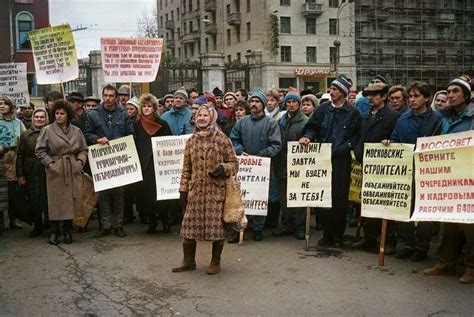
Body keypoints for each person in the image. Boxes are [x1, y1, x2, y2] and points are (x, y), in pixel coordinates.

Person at [172, 104, 239, 274]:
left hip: (215, 192)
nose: (201, 118)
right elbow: (186, 167)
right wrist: (183, 190)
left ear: (212, 118)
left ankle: (215, 261)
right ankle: (188, 261)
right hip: (195, 191)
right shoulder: (191, 141)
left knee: (216, 228)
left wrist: (223, 168)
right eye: (199, 115)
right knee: (188, 228)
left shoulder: (222, 139)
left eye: (205, 115)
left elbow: (234, 164)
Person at [299, 76, 362, 247]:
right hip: (322, 158)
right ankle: (327, 234)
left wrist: (348, 146)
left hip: (342, 161)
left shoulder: (353, 113)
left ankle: (338, 235)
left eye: (334, 89)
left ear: (343, 92)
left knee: (339, 199)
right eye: (331, 89)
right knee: (323, 197)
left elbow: (357, 136)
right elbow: (312, 127)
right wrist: (307, 137)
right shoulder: (323, 109)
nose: (331, 92)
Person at [383, 81, 442, 261]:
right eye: (411, 96)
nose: (412, 100)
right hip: (406, 169)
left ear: (427, 98)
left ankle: (422, 247)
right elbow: (395, 138)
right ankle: (408, 243)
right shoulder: (403, 119)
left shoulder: (437, 119)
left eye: (417, 96)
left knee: (423, 209)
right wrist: (389, 143)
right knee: (403, 207)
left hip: (427, 171)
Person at [424, 76, 474, 284]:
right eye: (449, 91)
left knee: (470, 227)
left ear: (466, 95)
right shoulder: (443, 118)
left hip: (468, 179)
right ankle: (445, 262)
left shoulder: (471, 118)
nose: (451, 95)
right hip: (448, 178)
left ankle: (471, 267)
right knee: (447, 223)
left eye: (456, 91)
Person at [351, 82, 400, 253]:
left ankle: (388, 240)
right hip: (366, 165)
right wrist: (358, 151)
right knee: (367, 202)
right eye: (369, 95)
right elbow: (360, 137)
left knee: (385, 204)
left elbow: (396, 140)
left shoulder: (392, 116)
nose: (370, 98)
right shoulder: (365, 115)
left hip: (384, 168)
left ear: (384, 96)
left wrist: (389, 144)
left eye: (375, 95)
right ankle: (369, 238)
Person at [230, 88, 282, 242]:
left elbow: (276, 145)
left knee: (259, 197)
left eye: (257, 101)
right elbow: (233, 139)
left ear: (263, 104)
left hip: (263, 167)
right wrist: (240, 151)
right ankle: (239, 227)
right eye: (252, 101)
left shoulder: (271, 123)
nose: (254, 104)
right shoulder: (242, 122)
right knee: (242, 196)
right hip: (244, 166)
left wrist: (261, 155)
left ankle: (257, 228)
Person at [84, 84, 134, 238]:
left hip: (119, 159)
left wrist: (120, 141)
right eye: (106, 95)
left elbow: (131, 134)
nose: (108, 99)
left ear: (116, 97)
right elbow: (86, 133)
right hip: (102, 160)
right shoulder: (93, 115)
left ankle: (118, 225)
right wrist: (97, 139)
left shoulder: (124, 114)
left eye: (112, 96)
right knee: (103, 194)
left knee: (119, 193)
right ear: (102, 96)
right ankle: (105, 225)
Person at [36, 100, 88, 245]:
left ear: (68, 115)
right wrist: (50, 164)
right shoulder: (47, 130)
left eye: (62, 114)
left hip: (72, 168)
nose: (59, 116)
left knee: (71, 201)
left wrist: (80, 162)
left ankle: (67, 231)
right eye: (57, 113)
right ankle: (54, 231)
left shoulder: (76, 131)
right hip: (56, 170)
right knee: (55, 202)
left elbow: (83, 149)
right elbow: (40, 150)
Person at [272, 93, 308, 240]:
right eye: (289, 102)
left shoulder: (305, 121)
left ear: (299, 104)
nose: (291, 104)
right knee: (284, 197)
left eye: (294, 102)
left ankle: (300, 226)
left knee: (298, 196)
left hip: (298, 165)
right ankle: (287, 224)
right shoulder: (280, 121)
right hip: (281, 163)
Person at [135, 93, 172, 234]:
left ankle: (165, 221)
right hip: (144, 165)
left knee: (161, 196)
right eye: (144, 106)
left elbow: (169, 142)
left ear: (154, 108)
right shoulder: (136, 124)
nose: (146, 109)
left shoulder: (162, 124)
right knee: (147, 196)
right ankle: (152, 222)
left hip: (159, 165)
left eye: (149, 106)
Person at [16, 108, 49, 238]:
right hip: (31, 170)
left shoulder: (51, 132)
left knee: (48, 198)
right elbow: (20, 156)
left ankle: (49, 224)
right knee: (34, 199)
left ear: (46, 118)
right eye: (37, 117)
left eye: (42, 117)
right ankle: (37, 226)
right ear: (33, 119)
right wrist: (20, 175)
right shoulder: (26, 135)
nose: (39, 119)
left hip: (47, 169)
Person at [0, 96, 27, 230]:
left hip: (15, 158)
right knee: (2, 191)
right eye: (0, 104)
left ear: (11, 106)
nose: (2, 106)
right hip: (1, 158)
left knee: (14, 191)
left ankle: (13, 219)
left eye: (5, 104)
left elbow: (25, 138)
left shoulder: (18, 123)